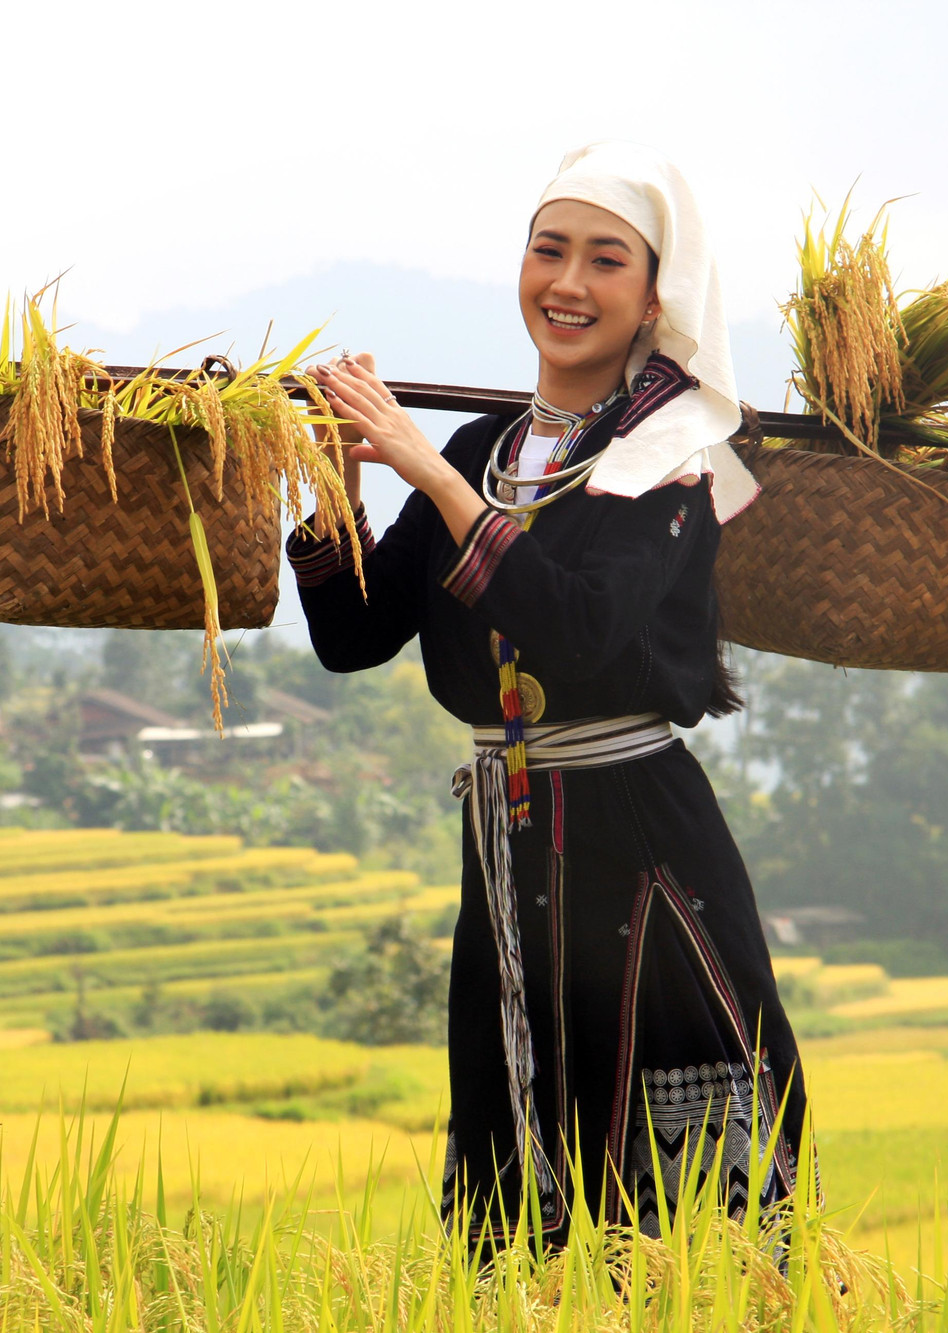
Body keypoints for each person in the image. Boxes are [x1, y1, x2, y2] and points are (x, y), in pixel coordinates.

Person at [293, 141, 810, 1243]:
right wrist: (341, 473)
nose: (567, 283)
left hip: (639, 843)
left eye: (605, 260)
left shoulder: (666, 462)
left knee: (688, 1204)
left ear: (654, 296)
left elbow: (579, 630)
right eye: (548, 250)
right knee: (504, 1168)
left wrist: (427, 473)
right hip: (507, 844)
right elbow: (351, 638)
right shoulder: (482, 448)